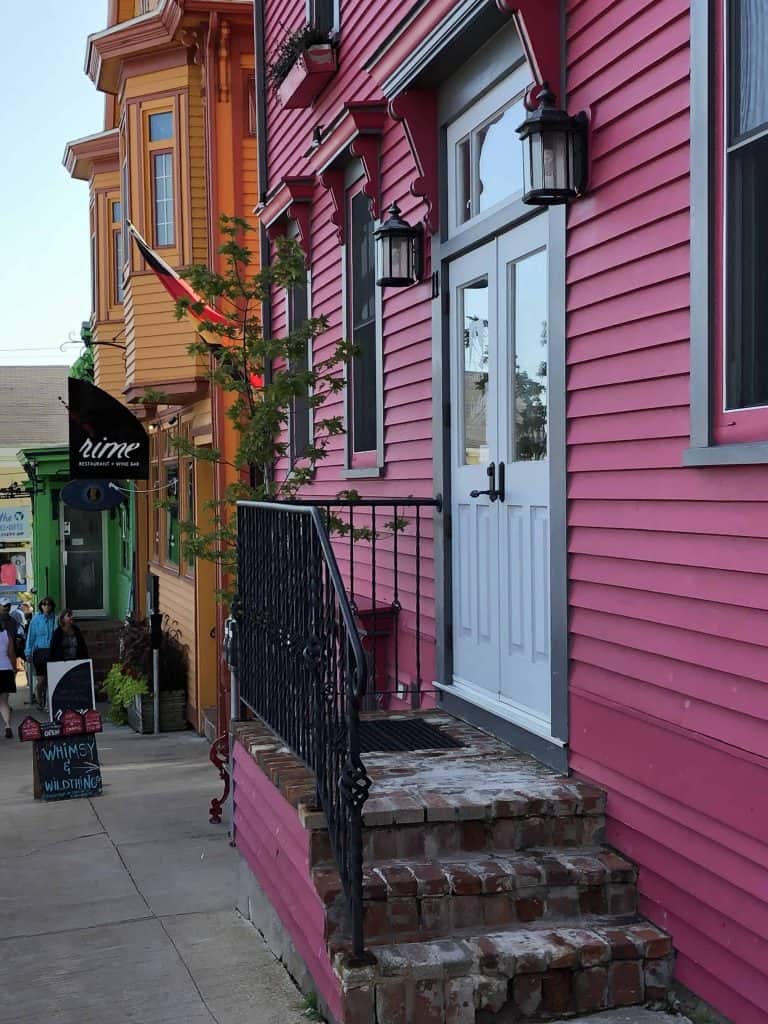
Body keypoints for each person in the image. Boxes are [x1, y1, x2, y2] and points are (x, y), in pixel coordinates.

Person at [25, 597, 56, 708]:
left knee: (51, 679)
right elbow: (31, 637)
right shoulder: (36, 619)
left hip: (52, 651)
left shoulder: (55, 619)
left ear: (52, 606)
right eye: (44, 604)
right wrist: (28, 652)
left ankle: (48, 702)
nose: (46, 606)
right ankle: (38, 693)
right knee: (41, 680)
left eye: (49, 604)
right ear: (41, 606)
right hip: (40, 652)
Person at [0, 611, 16, 738]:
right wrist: (14, 668)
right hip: (6, 669)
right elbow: (11, 654)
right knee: (4, 701)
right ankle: (8, 726)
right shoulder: (6, 635)